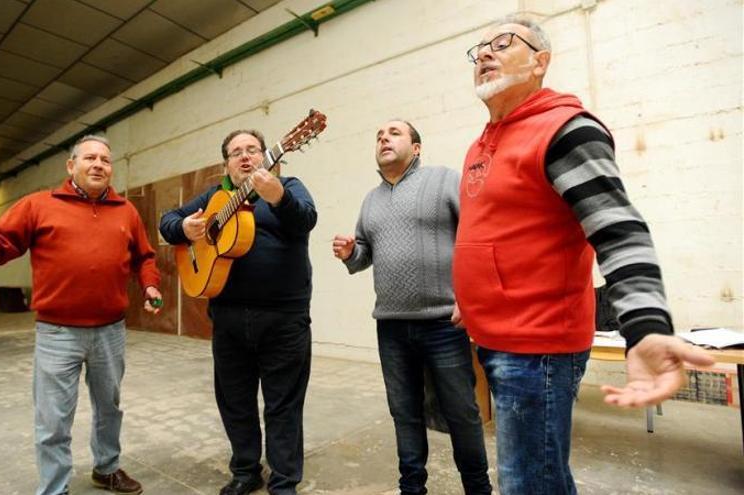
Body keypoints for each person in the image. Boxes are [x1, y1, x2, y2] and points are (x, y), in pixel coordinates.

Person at [454, 15, 715, 494]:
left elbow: (619, 229)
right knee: (535, 478)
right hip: (493, 338)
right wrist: (469, 297)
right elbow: (491, 235)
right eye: (478, 49)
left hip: (538, 349)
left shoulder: (565, 130)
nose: (485, 53)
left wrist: (646, 327)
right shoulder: (481, 144)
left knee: (530, 484)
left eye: (502, 42)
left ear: (540, 62)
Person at [0, 135, 162, 495]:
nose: (98, 164)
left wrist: (151, 285)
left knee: (110, 408)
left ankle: (106, 469)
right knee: (53, 418)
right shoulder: (38, 205)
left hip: (110, 331)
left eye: (105, 160)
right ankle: (54, 487)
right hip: (58, 334)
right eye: (90, 158)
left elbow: (145, 257)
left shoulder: (126, 210)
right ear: (71, 166)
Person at [332, 120, 492, 495]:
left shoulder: (443, 180)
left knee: (462, 413)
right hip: (390, 327)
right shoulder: (370, 200)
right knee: (404, 412)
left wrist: (472, 297)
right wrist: (350, 253)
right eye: (378, 135)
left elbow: (477, 233)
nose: (383, 138)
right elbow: (363, 256)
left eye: (394, 133)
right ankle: (412, 488)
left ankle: (478, 489)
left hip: (443, 323)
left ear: (416, 148)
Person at [158, 129, 317, 495]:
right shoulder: (215, 196)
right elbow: (168, 221)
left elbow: (306, 220)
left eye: (252, 150)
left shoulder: (289, 185)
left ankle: (283, 481)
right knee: (235, 400)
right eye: (235, 152)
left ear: (267, 156)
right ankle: (245, 470)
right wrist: (183, 227)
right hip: (228, 317)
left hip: (283, 318)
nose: (245, 157)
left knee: (283, 404)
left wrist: (279, 199)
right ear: (225, 163)